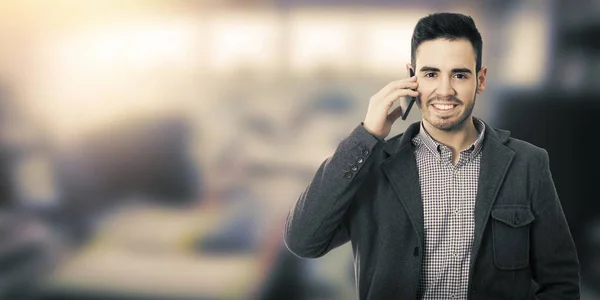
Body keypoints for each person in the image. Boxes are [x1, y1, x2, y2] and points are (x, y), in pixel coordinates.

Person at [283, 12, 580, 299]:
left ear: (481, 79)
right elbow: (303, 241)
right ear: (412, 79)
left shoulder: (528, 164)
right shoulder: (373, 165)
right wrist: (366, 135)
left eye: (460, 75)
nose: (445, 90)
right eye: (431, 73)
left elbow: (560, 279)